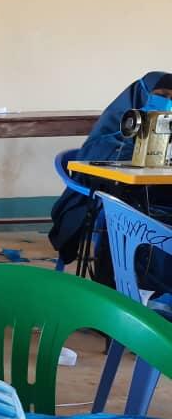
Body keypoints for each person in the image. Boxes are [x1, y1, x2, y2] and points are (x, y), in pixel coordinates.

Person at [49, 72, 172, 273]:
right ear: (141, 95)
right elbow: (100, 157)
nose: (167, 102)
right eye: (161, 95)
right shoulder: (115, 129)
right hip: (116, 195)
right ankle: (131, 276)